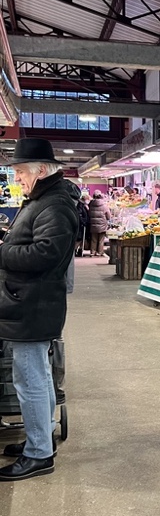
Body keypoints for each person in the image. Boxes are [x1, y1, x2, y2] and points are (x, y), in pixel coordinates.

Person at [0, 138, 78, 481]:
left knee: (29, 378)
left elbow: (46, 253)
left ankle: (38, 454)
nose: (17, 178)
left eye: (20, 172)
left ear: (41, 170)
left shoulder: (54, 205)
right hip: (30, 302)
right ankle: (41, 439)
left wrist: (2, 252)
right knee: (39, 376)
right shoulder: (43, 200)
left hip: (32, 305)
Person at [88, 189, 110, 256]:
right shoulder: (104, 205)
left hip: (93, 224)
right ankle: (100, 252)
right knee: (101, 240)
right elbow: (108, 216)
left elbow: (89, 213)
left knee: (93, 239)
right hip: (102, 225)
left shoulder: (91, 204)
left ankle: (93, 251)